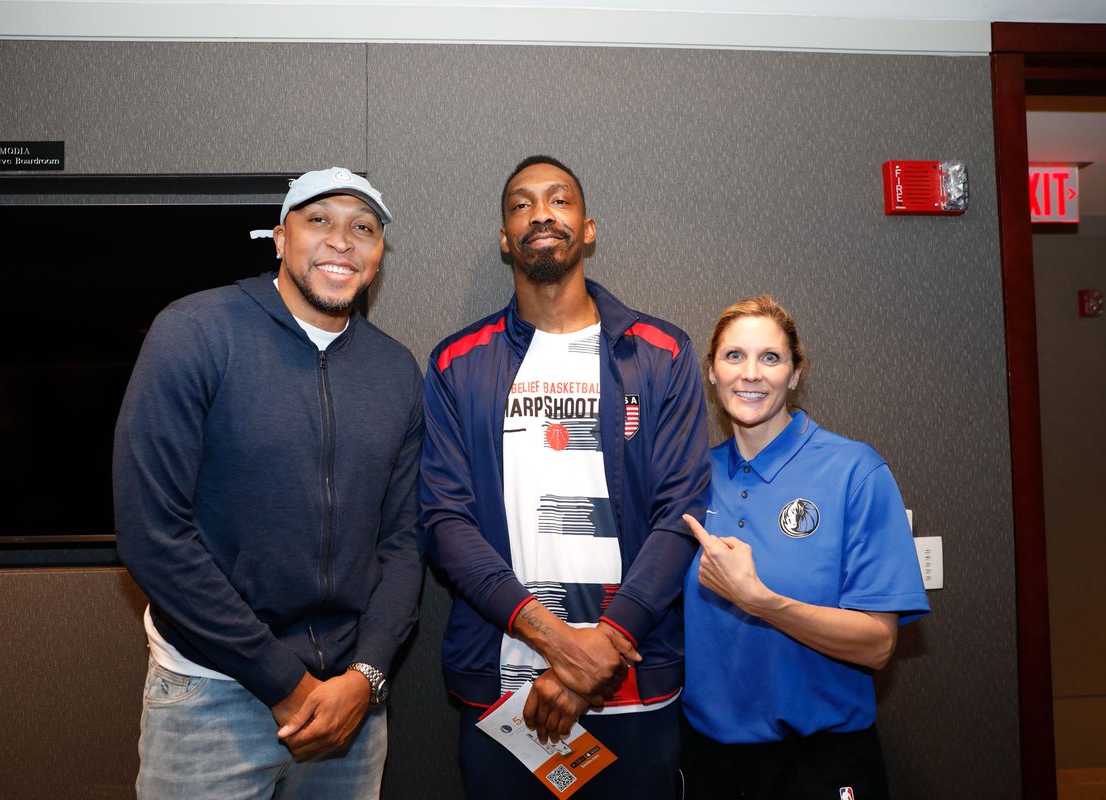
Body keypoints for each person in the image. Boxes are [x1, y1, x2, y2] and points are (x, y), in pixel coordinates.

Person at [113, 166, 424, 800]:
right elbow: (153, 533)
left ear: (378, 255)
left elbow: (404, 541)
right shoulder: (196, 331)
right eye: (319, 220)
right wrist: (284, 682)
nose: (341, 241)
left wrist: (366, 675)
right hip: (213, 696)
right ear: (280, 238)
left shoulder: (395, 370)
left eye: (363, 228)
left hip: (350, 706)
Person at [421, 155, 712, 798]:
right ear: (505, 239)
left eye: (559, 200)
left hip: (631, 681)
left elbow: (683, 511)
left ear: (588, 228)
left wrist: (604, 645)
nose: (541, 214)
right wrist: (558, 643)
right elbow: (444, 521)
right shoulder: (456, 362)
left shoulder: (662, 352)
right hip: (505, 690)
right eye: (521, 204)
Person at [679, 295, 929, 800]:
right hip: (709, 760)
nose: (751, 373)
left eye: (770, 358)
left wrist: (760, 601)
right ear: (711, 371)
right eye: (734, 356)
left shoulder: (854, 471)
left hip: (818, 762)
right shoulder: (691, 478)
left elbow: (878, 645)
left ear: (794, 374)